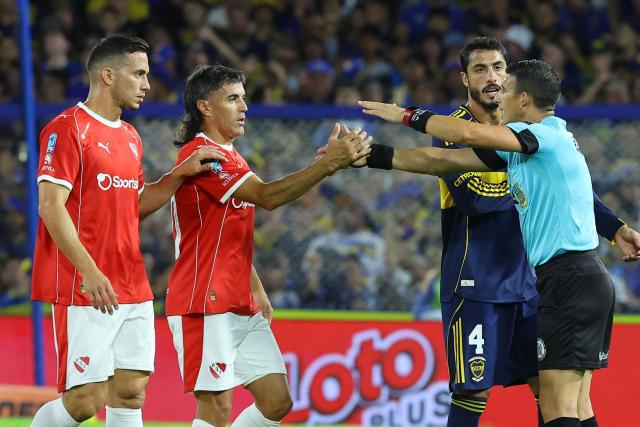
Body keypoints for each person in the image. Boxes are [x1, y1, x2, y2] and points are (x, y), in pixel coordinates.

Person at [358, 59, 640, 427]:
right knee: (578, 404)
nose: (498, 94)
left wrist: (407, 115)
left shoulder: (539, 137)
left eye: (505, 89)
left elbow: (469, 135)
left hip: (567, 280)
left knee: (557, 405)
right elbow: (440, 157)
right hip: (581, 279)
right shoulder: (538, 145)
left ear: (524, 99)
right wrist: (372, 155)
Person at [30, 35, 227, 427]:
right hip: (83, 284)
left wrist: (178, 176)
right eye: (138, 74)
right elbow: (50, 207)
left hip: (131, 283)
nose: (146, 84)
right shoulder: (67, 129)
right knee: (86, 400)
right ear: (107, 75)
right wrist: (89, 270)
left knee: (130, 393)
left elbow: (133, 206)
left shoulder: (130, 137)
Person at [165, 64, 371, 427]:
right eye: (232, 98)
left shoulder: (232, 156)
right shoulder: (202, 155)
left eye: (244, 98)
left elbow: (228, 235)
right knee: (216, 411)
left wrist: (255, 287)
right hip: (203, 298)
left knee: (276, 401)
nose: (244, 106)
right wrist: (327, 166)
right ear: (205, 107)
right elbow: (267, 196)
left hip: (238, 298)